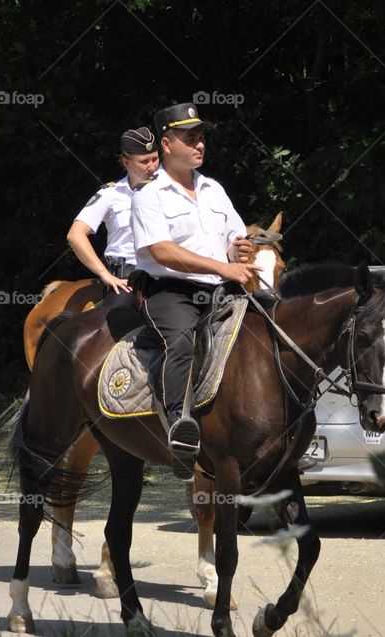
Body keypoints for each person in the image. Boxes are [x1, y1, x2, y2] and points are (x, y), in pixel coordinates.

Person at [131, 102, 260, 479]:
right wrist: (223, 265)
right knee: (181, 342)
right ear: (167, 145)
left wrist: (241, 249)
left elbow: (234, 238)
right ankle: (180, 427)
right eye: (190, 138)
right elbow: (161, 251)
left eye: (201, 137)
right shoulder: (149, 194)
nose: (199, 145)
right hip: (171, 291)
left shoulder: (214, 190)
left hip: (222, 288)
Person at [66, 127, 160, 309]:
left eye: (155, 159)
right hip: (127, 282)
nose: (152, 166)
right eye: (144, 161)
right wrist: (104, 274)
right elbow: (75, 235)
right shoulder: (110, 194)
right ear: (126, 162)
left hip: (166, 278)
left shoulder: (172, 191)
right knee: (118, 325)